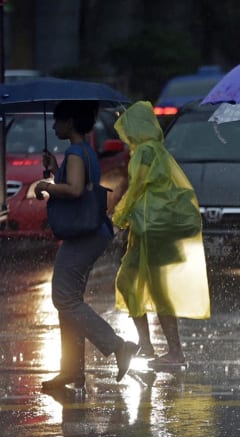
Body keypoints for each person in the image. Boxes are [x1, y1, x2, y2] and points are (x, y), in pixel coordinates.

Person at [34, 100, 138, 390]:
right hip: (92, 232)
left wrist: (46, 186)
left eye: (58, 121)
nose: (54, 126)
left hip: (85, 235)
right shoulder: (84, 152)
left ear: (69, 122)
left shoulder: (75, 151)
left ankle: (117, 346)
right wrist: (56, 170)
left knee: (64, 299)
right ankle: (72, 371)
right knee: (68, 301)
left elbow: (75, 189)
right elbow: (79, 185)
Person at [111, 101, 210, 368]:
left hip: (153, 229)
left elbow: (137, 189)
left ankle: (174, 352)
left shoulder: (145, 152)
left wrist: (119, 215)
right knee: (129, 282)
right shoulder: (155, 151)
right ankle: (147, 345)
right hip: (149, 229)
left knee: (155, 289)